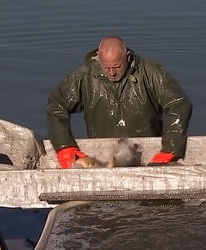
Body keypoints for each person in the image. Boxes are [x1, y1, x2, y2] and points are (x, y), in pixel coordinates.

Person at [47, 36, 192, 168]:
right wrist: (65, 146)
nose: (112, 72)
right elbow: (57, 104)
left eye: (116, 67)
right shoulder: (85, 76)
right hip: (104, 157)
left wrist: (170, 148)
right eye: (106, 67)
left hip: (146, 152)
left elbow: (178, 104)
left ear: (128, 57)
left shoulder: (150, 72)